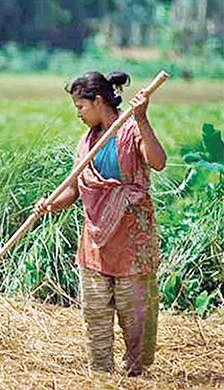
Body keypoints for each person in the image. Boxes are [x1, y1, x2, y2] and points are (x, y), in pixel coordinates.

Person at [34, 71, 167, 376]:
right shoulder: (86, 141)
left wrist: (143, 119)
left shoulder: (131, 129)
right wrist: (50, 204)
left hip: (131, 237)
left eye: (81, 107)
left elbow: (158, 162)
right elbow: (73, 188)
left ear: (97, 101)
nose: (79, 115)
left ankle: (136, 373)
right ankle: (101, 374)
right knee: (95, 312)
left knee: (134, 312)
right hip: (95, 240)